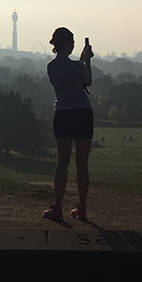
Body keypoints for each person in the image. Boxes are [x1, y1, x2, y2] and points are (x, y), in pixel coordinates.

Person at [43, 27, 94, 222]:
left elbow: (68, 72)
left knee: (62, 163)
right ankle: (82, 208)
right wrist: (87, 60)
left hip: (63, 114)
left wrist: (81, 60)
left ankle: (58, 208)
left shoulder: (51, 67)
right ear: (67, 43)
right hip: (83, 113)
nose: (73, 45)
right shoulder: (78, 66)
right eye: (72, 42)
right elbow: (86, 81)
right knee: (82, 164)